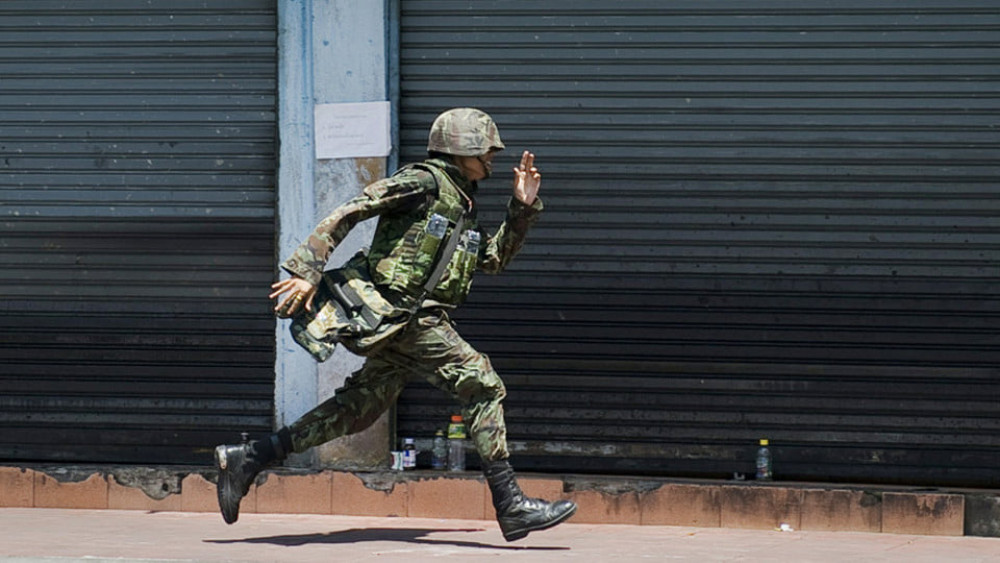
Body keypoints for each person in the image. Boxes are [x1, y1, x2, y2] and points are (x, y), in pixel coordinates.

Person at [214, 108, 577, 542]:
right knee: (483, 384)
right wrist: (306, 268)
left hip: (401, 323)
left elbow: (493, 260)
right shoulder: (424, 182)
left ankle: (249, 457)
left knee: (357, 410)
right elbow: (355, 208)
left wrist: (521, 208)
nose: (492, 160)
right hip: (407, 316)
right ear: (462, 148)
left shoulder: (461, 202)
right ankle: (510, 504)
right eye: (486, 150)